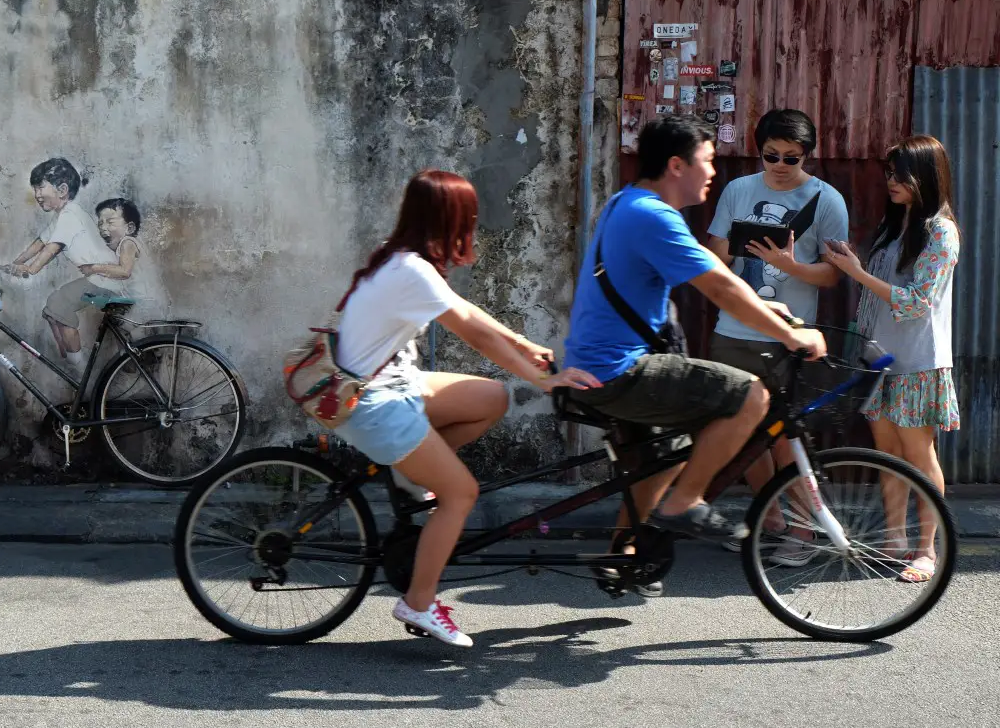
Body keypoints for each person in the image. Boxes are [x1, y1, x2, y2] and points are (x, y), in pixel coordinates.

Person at [329, 169, 600, 647]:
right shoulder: (410, 270)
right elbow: (471, 331)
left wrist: (522, 342)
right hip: (374, 403)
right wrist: (544, 379)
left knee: (491, 397)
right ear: (450, 217)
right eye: (469, 215)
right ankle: (418, 601)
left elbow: (469, 312)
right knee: (460, 494)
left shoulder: (404, 261)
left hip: (395, 386)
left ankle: (412, 474)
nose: (473, 223)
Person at [563, 115, 828, 595]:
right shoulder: (653, 216)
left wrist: (769, 309)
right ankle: (685, 502)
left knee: (661, 454)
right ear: (675, 165)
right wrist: (792, 336)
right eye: (706, 161)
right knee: (751, 396)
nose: (712, 172)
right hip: (622, 367)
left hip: (602, 362)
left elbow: (712, 279)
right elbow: (722, 286)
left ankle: (623, 551)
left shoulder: (628, 203)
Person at [706, 109, 850, 565]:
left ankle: (804, 531)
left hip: (788, 336)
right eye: (771, 155)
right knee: (741, 436)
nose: (781, 164)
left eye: (792, 156)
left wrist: (791, 268)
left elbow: (832, 275)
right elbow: (714, 252)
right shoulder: (738, 190)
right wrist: (731, 257)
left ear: (808, 154)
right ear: (759, 150)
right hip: (731, 330)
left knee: (785, 436)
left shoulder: (827, 200)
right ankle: (770, 521)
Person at [824, 135, 960, 584]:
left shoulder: (940, 231)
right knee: (886, 452)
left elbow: (919, 301)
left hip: (918, 361)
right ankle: (895, 539)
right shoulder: (894, 226)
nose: (892, 182)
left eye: (901, 174)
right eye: (889, 173)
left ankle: (926, 550)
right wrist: (857, 265)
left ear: (926, 176)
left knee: (919, 455)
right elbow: (876, 294)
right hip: (879, 358)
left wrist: (856, 273)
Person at [11, 158, 122, 367]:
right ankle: (69, 358)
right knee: (54, 306)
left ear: (62, 189)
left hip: (105, 280)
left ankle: (77, 369)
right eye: (35, 188)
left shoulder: (71, 216)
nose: (37, 194)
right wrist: (15, 263)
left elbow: (52, 249)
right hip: (101, 280)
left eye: (41, 187)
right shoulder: (62, 217)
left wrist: (31, 268)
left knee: (59, 304)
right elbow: (39, 243)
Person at [78, 198, 172, 318]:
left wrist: (93, 268)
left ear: (130, 228)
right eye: (100, 223)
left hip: (146, 304)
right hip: (146, 302)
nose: (102, 227)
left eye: (110, 222)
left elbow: (124, 272)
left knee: (132, 334)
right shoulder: (125, 246)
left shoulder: (128, 243)